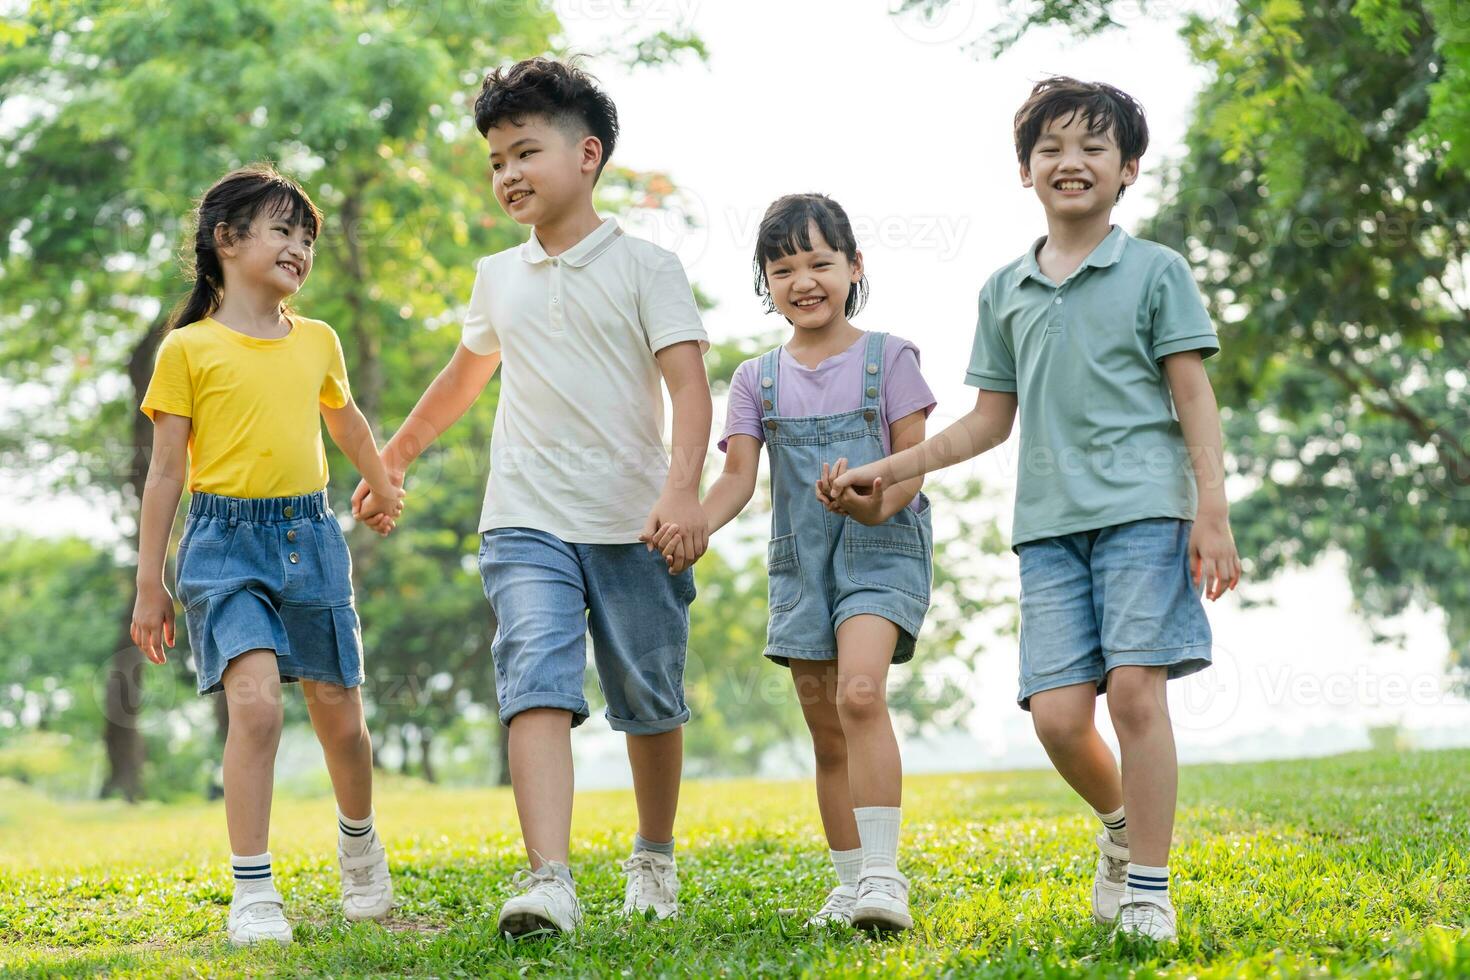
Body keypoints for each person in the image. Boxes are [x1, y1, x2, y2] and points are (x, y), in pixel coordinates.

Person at [831, 78, 1243, 942]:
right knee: (1058, 717)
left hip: (1146, 515)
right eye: (1052, 147)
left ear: (1128, 168)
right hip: (1049, 530)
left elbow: (1195, 397)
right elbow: (985, 420)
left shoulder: (1157, 271)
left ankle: (1150, 893)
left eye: (1094, 147)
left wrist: (1214, 510)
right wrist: (889, 468)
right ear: (1025, 170)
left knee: (1136, 692)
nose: (1072, 162)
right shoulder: (1003, 290)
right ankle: (1125, 830)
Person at [353, 57, 711, 937]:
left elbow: (691, 390)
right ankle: (548, 878)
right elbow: (463, 376)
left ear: (586, 154)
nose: (508, 174)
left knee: (649, 699)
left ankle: (653, 856)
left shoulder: (648, 267)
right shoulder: (496, 276)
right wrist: (392, 458)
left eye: (525, 152)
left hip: (635, 521)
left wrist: (683, 494)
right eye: (496, 161)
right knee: (534, 681)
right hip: (522, 518)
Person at [132, 165, 404, 945]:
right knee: (253, 707)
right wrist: (150, 585)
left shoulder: (317, 339)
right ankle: (253, 889)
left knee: (341, 719)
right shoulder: (186, 350)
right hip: (221, 547)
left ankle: (360, 848)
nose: (299, 247)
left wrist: (382, 485)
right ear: (228, 240)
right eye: (283, 229)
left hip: (309, 538)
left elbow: (346, 423)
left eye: (307, 237)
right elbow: (165, 471)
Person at [655, 193, 935, 931]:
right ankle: (849, 883)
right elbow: (738, 481)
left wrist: (870, 501)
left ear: (853, 267)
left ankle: (883, 876)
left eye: (820, 262)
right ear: (766, 283)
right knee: (826, 726)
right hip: (801, 560)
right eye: (783, 269)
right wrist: (696, 527)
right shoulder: (756, 379)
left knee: (862, 694)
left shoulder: (891, 357)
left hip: (881, 543)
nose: (803, 280)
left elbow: (913, 468)